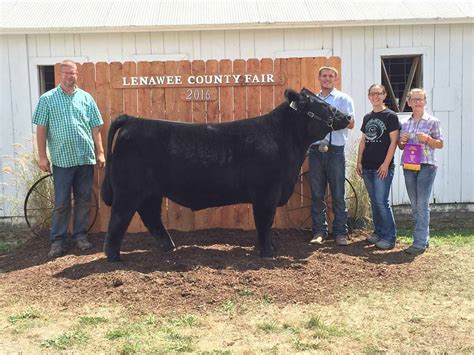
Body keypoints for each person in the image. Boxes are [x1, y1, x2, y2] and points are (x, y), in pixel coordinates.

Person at [33, 60, 105, 258]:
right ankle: (58, 240)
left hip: (84, 158)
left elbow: (96, 127)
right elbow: (41, 129)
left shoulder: (86, 98)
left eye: (71, 73)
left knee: (84, 199)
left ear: (77, 75)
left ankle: (81, 236)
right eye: (65, 73)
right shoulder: (47, 99)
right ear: (59, 75)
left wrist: (100, 152)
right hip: (62, 160)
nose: (68, 76)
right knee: (62, 202)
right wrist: (42, 156)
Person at [309, 66, 355, 246]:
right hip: (315, 151)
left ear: (335, 79)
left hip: (335, 150)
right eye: (324, 76)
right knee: (317, 194)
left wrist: (332, 115)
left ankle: (340, 232)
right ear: (319, 78)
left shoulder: (343, 99)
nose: (327, 79)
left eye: (330, 76)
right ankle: (319, 232)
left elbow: (351, 123)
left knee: (338, 193)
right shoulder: (314, 99)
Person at [398, 88, 443, 255]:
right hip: (409, 166)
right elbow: (401, 147)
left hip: (426, 166)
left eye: (420, 99)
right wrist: (401, 141)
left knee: (422, 204)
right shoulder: (404, 123)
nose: (417, 102)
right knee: (415, 204)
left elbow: (440, 144)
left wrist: (428, 139)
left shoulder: (433, 121)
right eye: (414, 99)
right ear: (408, 102)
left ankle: (419, 242)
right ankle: (424, 238)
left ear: (425, 102)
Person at [356, 84, 399, 250]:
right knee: (374, 202)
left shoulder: (390, 116)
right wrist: (359, 161)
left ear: (384, 95)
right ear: (369, 97)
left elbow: (393, 142)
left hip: (382, 168)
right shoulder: (367, 117)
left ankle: (389, 238)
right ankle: (379, 233)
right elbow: (363, 141)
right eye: (372, 94)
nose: (375, 97)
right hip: (367, 166)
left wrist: (386, 164)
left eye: (378, 94)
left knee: (382, 202)